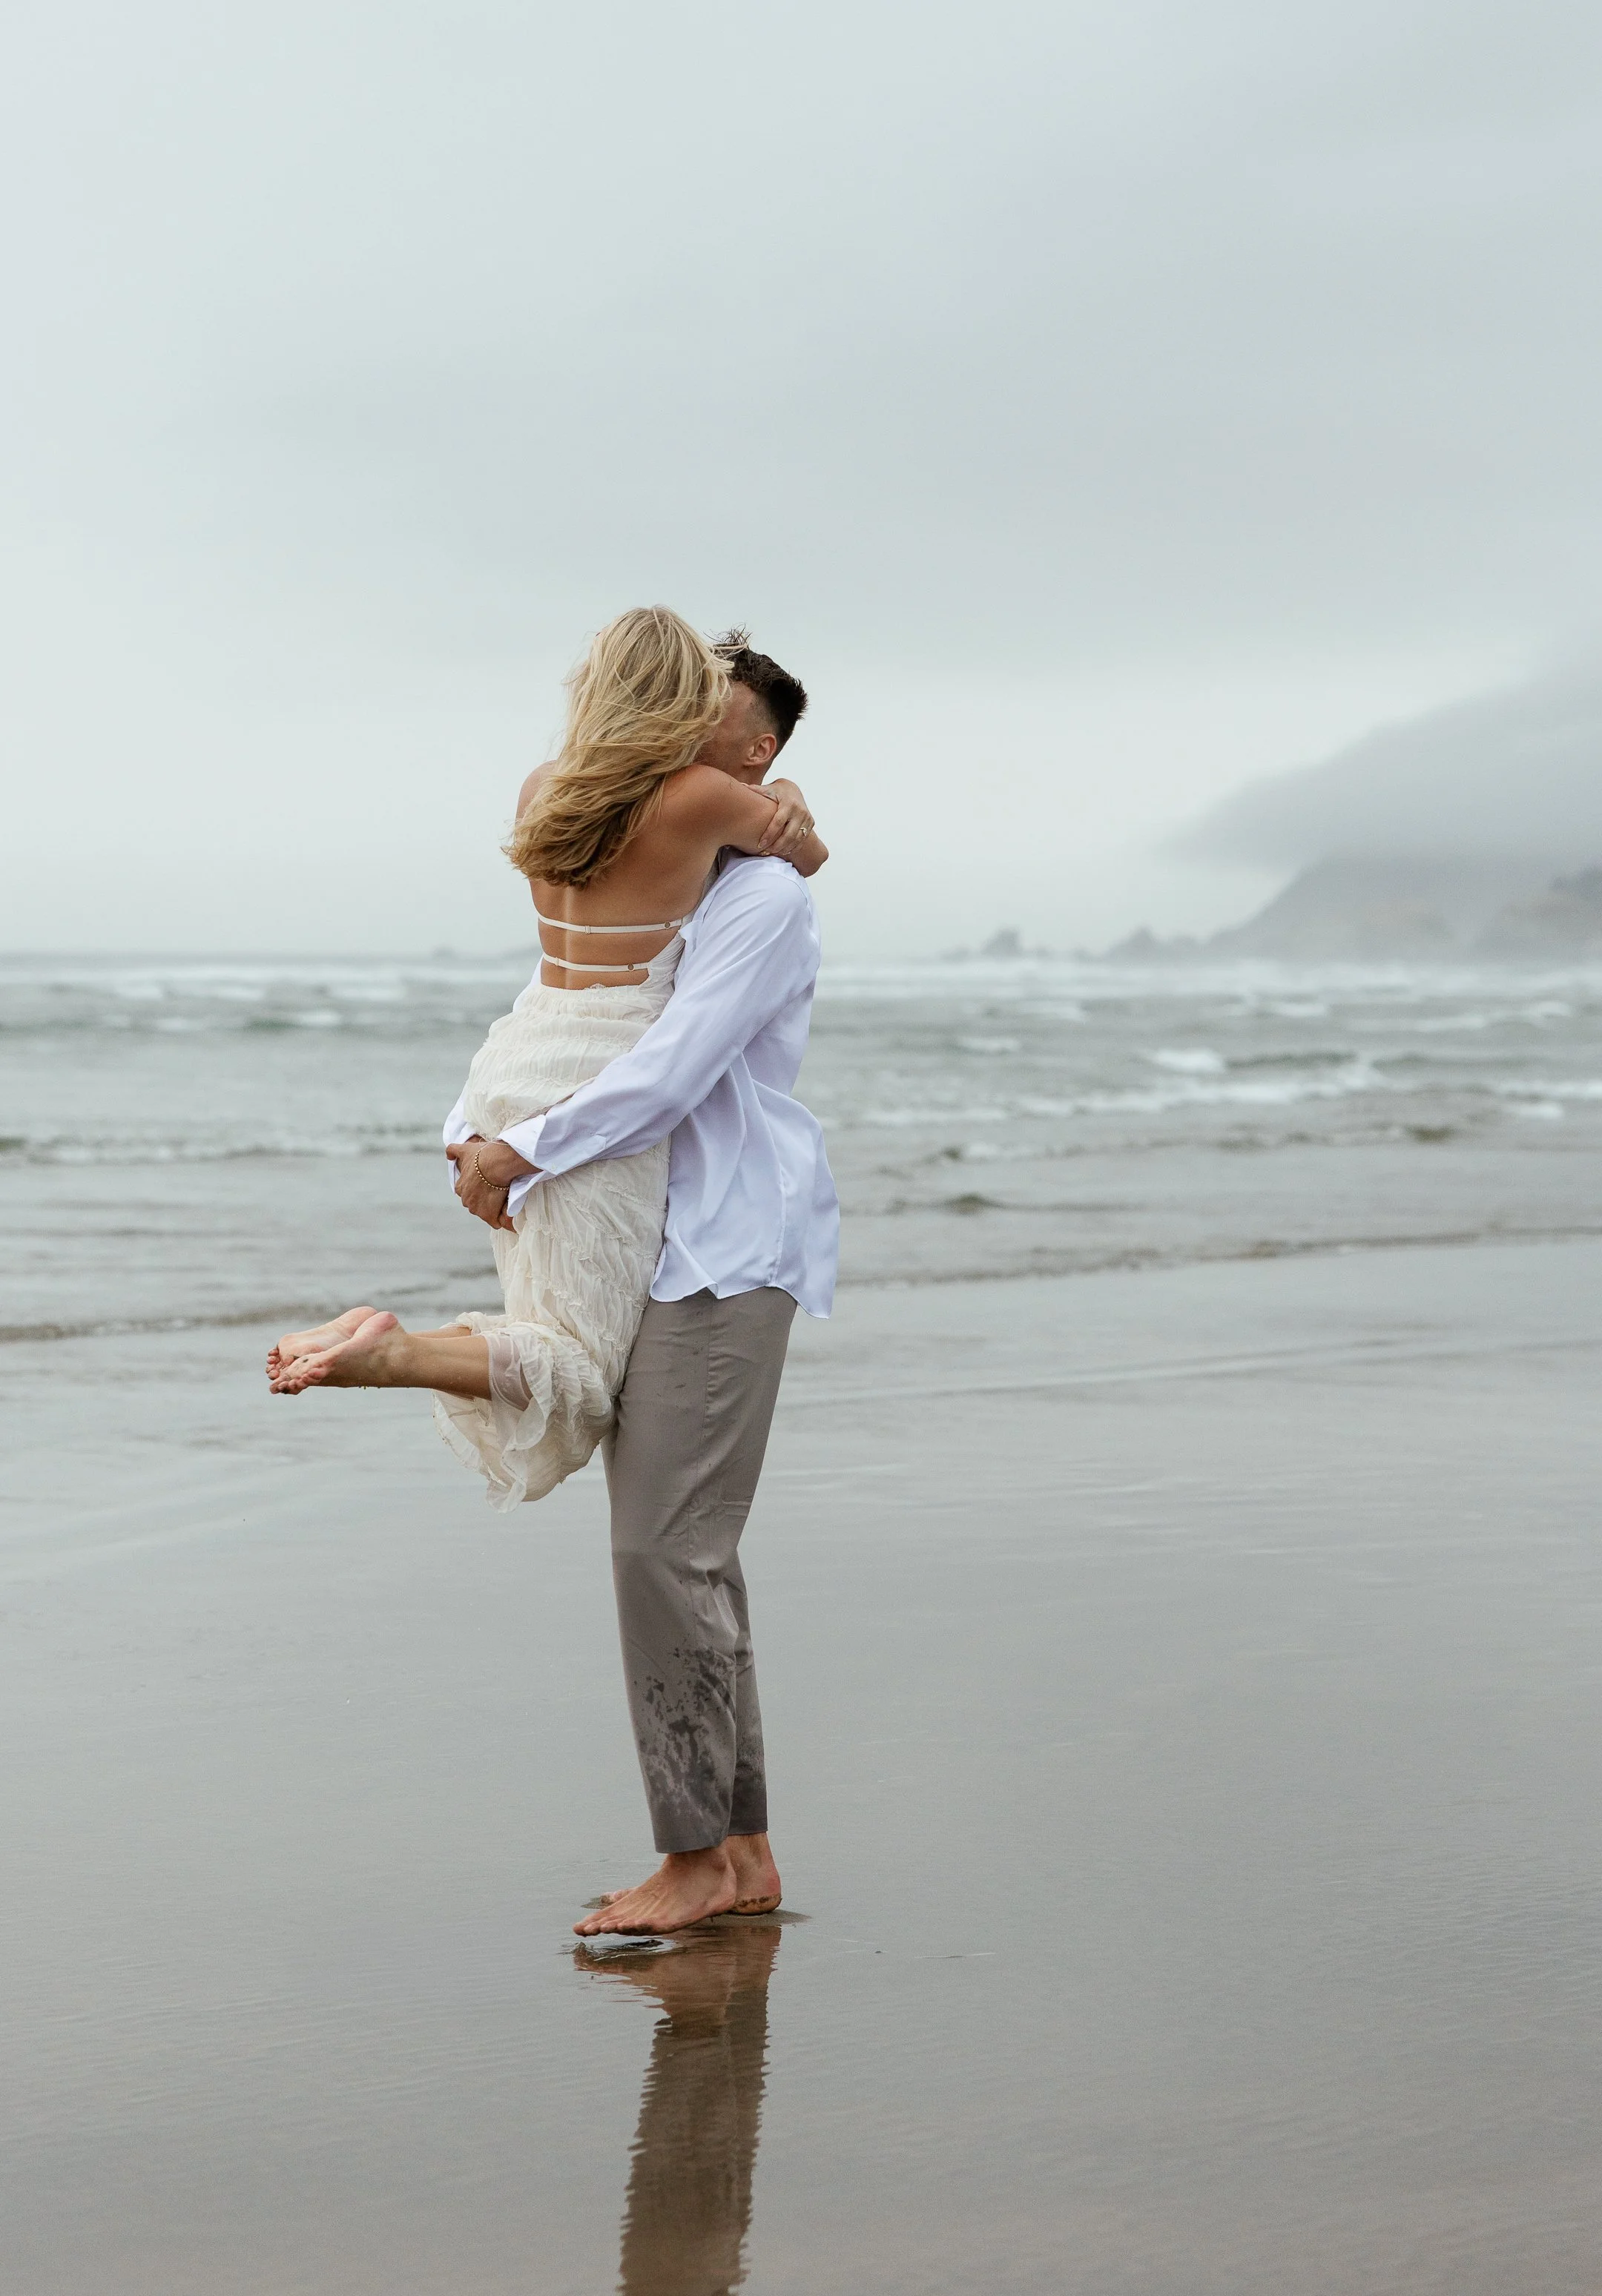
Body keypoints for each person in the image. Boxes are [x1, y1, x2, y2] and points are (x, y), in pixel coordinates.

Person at [268, 607, 840, 1935]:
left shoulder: (757, 896)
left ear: (748, 747)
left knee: (661, 1549)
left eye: (733, 724)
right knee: (688, 1556)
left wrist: (516, 1146)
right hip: (633, 1214)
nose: (713, 734)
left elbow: (667, 1070)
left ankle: (694, 1861)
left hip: (717, 1246)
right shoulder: (699, 840)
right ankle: (739, 1854)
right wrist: (511, 1148)